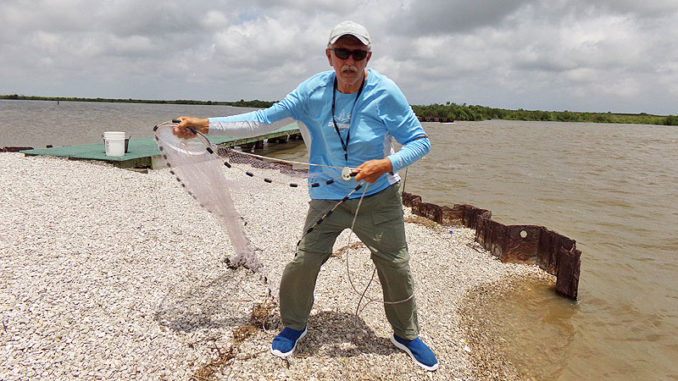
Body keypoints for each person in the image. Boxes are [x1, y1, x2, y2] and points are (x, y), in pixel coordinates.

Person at [174, 20, 438, 371]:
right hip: (327, 197)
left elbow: (421, 142)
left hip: (378, 198)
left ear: (368, 57)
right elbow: (263, 119)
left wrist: (386, 164)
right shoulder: (311, 91)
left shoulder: (386, 92)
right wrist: (206, 125)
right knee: (303, 262)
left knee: (396, 266)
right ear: (329, 56)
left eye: (358, 54)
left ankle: (406, 334)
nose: (350, 61)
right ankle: (294, 325)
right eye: (342, 52)